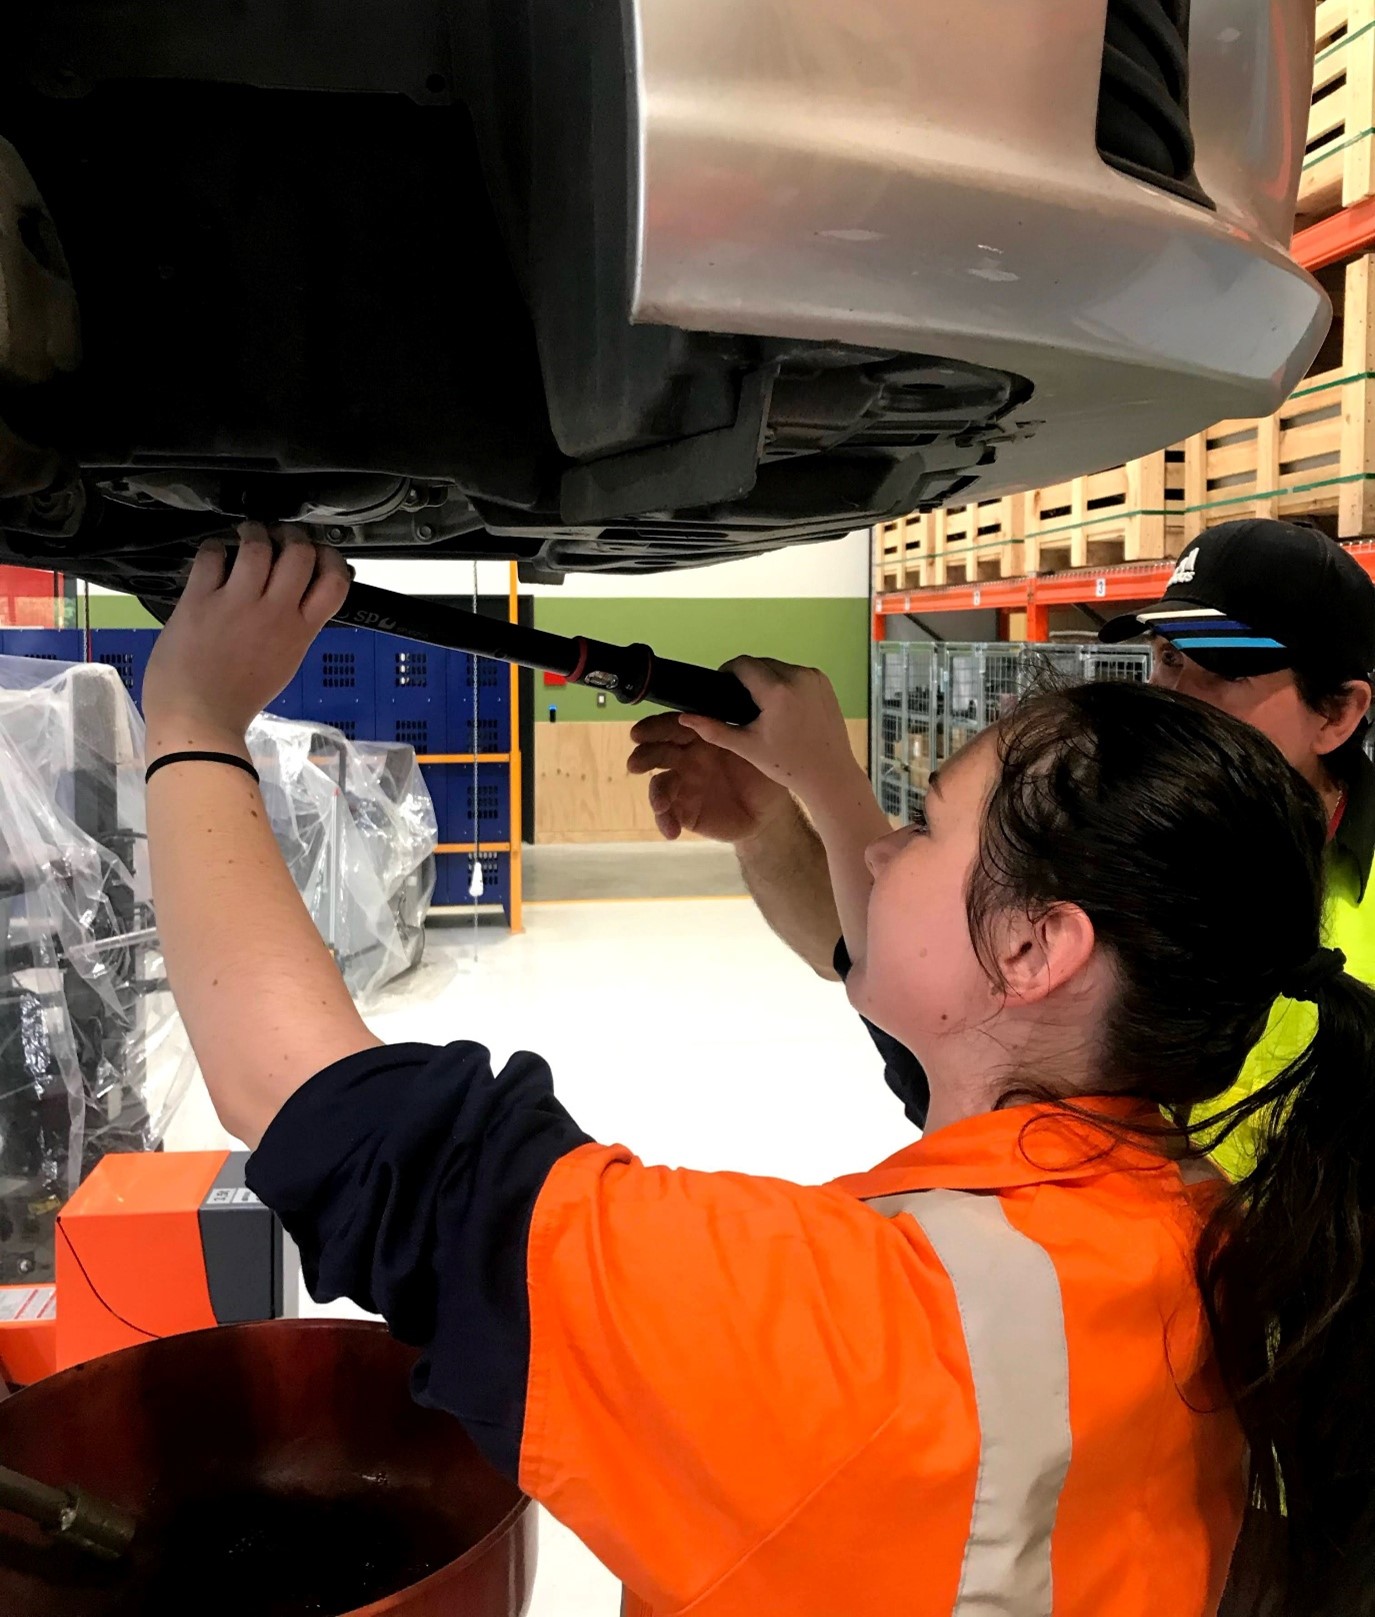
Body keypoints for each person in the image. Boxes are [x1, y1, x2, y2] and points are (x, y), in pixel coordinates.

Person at [144, 527, 1375, 1617]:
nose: (880, 855)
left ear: (1032, 951)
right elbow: (914, 983)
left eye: (924, 824)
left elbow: (324, 1110)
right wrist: (806, 793)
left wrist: (193, 722)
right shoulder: (1176, 1220)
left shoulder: (864, 1334)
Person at [630, 518, 1375, 1177]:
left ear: (1338, 712)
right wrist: (778, 815)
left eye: (1220, 672)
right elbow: (893, 954)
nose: (1171, 698)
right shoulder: (1111, 839)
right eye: (1166, 658)